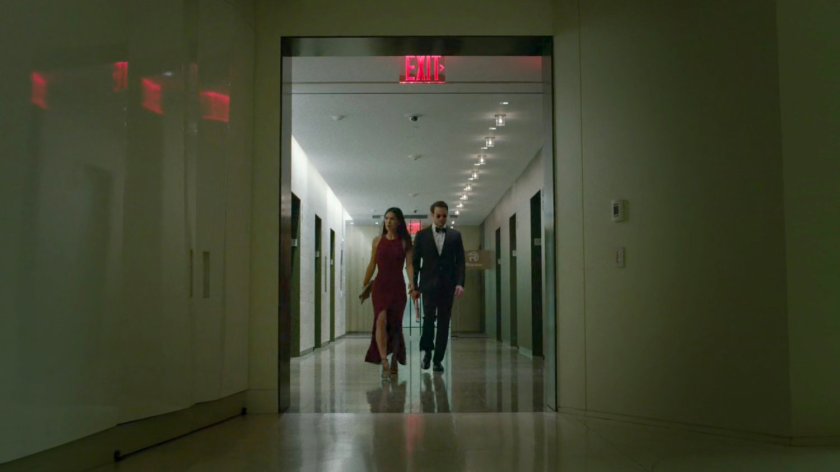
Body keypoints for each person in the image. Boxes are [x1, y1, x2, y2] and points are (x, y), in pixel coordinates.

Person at [410, 201, 465, 373]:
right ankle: (427, 351)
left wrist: (460, 283)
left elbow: (460, 262)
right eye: (438, 215)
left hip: (447, 286)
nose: (442, 219)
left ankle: (437, 360)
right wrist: (415, 285)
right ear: (432, 215)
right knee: (428, 319)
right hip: (428, 285)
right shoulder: (421, 235)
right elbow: (415, 262)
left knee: (443, 322)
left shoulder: (455, 236)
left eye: (444, 216)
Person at [362, 207, 416, 379]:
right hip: (380, 286)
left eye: (392, 218)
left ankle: (394, 360)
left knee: (395, 324)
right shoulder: (377, 241)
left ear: (399, 221)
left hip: (397, 287)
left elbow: (409, 265)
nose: (388, 221)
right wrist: (365, 283)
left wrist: (413, 284)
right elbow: (372, 264)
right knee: (380, 319)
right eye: (386, 218)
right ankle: (384, 360)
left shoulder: (404, 242)